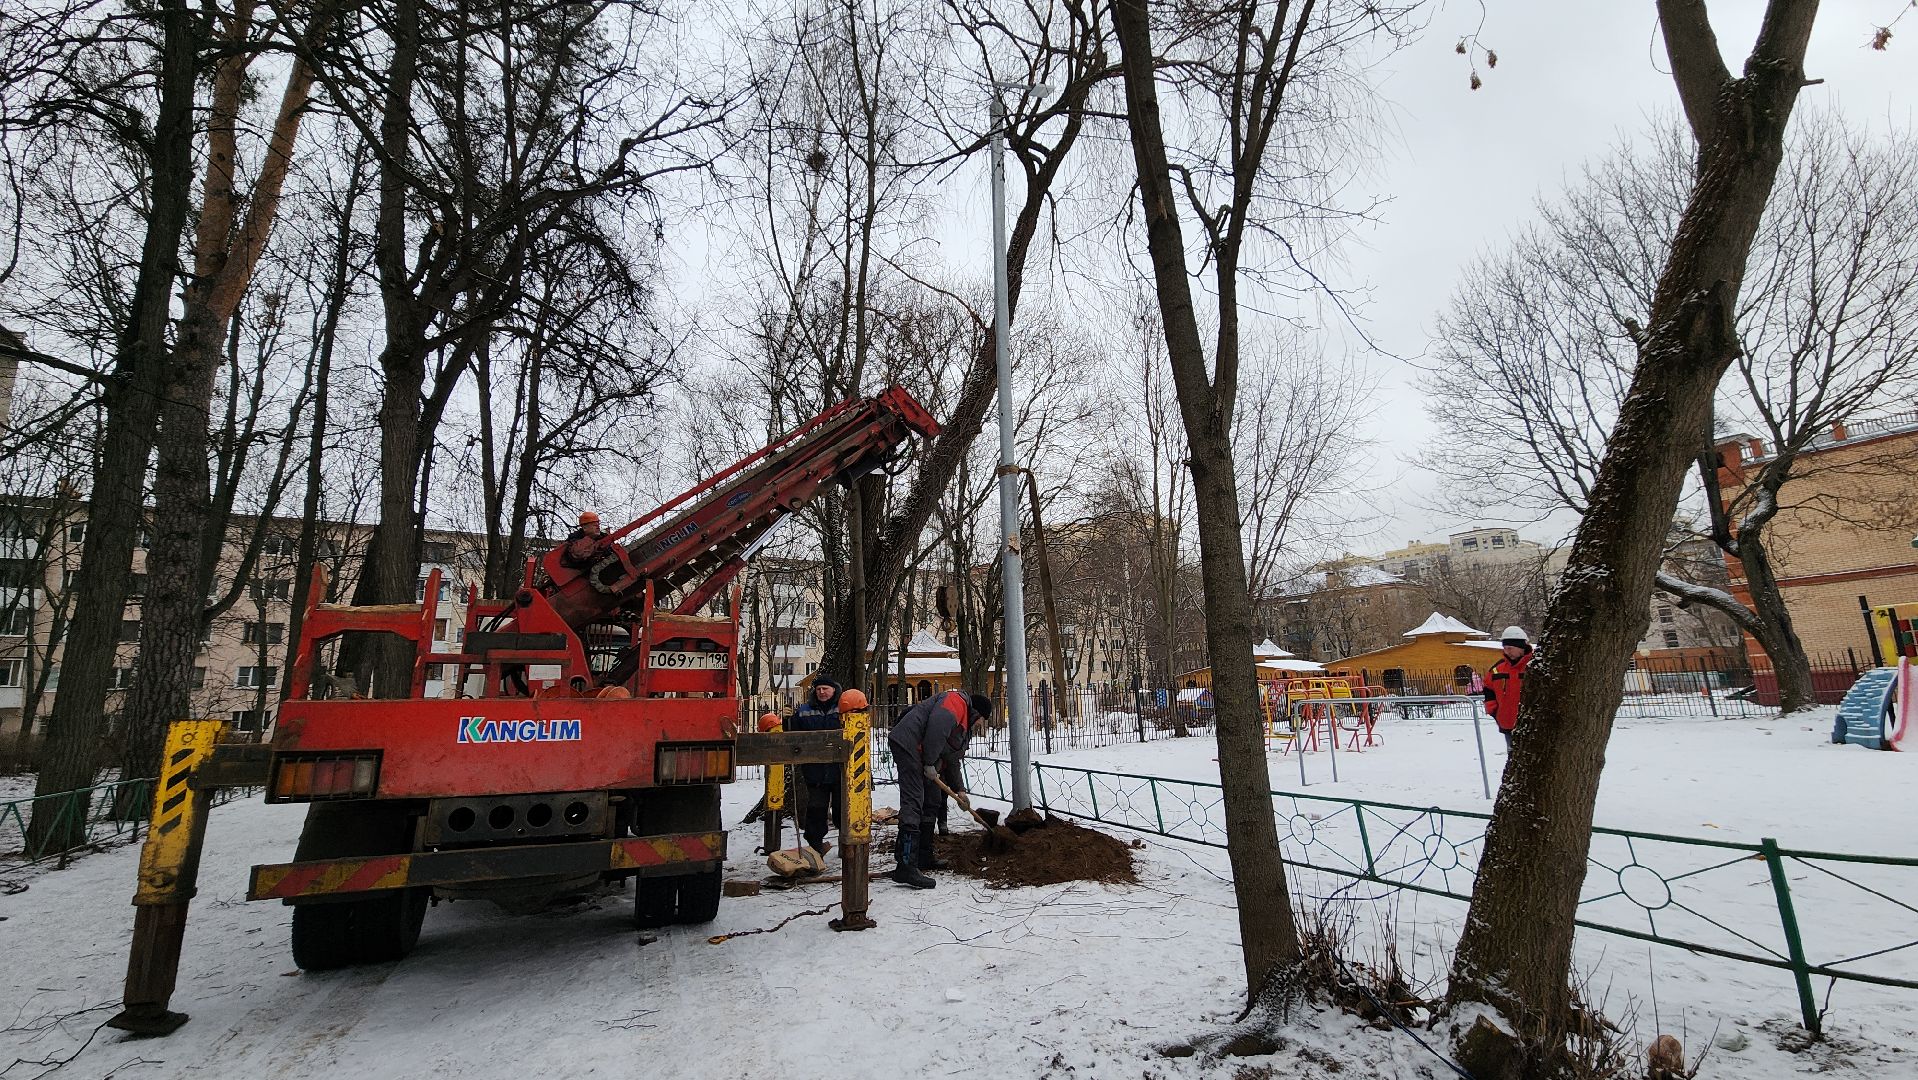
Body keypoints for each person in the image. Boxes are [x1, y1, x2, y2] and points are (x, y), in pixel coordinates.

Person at [887, 689, 992, 889]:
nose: (980, 725)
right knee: (914, 800)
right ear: (977, 713)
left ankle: (923, 856)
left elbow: (952, 759)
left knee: (933, 799)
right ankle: (906, 865)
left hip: (922, 752)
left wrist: (960, 790)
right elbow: (936, 730)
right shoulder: (956, 702)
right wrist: (929, 762)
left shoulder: (963, 723)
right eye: (982, 720)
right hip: (909, 743)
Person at [787, 676, 844, 855]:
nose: (821, 692)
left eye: (825, 688)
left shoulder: (844, 708)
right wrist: (787, 720)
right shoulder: (804, 711)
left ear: (834, 689)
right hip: (815, 771)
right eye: (819, 689)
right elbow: (792, 734)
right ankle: (814, 847)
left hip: (839, 770)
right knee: (816, 810)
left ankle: (848, 845)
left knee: (842, 810)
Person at [1483, 625, 1533, 746]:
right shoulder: (1497, 669)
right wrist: (1494, 711)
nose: (1506, 652)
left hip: (1533, 725)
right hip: (1508, 724)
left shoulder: (1534, 666)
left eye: (1510, 648)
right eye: (1505, 648)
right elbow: (1488, 689)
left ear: (1521, 647)